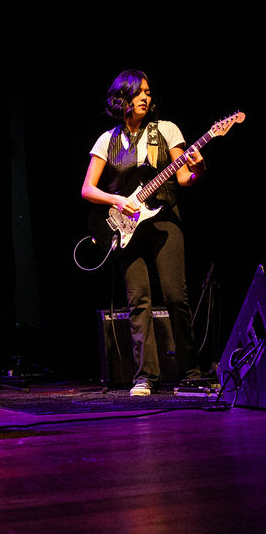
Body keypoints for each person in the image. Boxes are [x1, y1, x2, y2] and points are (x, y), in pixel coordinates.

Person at [81, 69, 205, 397]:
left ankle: (191, 372)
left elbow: (183, 179)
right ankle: (145, 377)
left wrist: (198, 169)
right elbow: (87, 189)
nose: (145, 98)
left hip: (164, 220)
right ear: (122, 97)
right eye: (139, 92)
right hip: (127, 227)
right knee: (139, 301)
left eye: (148, 92)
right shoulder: (107, 140)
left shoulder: (166, 130)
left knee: (176, 296)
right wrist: (117, 200)